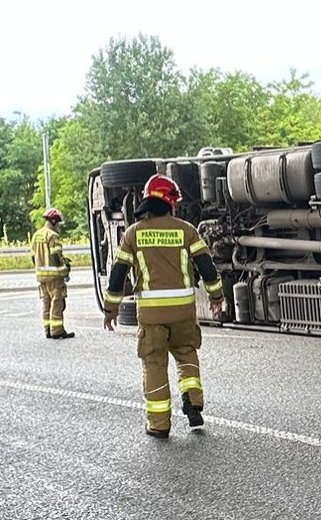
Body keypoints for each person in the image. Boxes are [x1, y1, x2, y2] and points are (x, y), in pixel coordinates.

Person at [102, 174, 225, 438]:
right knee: (186, 354)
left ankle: (159, 425)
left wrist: (110, 309)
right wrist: (216, 298)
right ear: (171, 203)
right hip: (183, 311)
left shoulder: (134, 233)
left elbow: (118, 274)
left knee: (155, 364)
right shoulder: (186, 230)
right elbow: (207, 267)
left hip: (151, 314)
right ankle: (193, 402)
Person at [31, 207, 75, 340]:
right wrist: (65, 270)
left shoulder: (36, 235)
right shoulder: (52, 236)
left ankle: (48, 329)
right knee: (57, 303)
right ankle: (57, 331)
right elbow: (56, 256)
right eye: (58, 223)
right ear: (54, 221)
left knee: (46, 304)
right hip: (54, 277)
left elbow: (33, 257)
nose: (59, 227)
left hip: (41, 277)